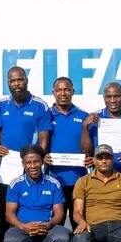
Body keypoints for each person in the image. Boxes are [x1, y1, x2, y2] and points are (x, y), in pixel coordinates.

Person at [0, 66, 51, 242]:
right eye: (12, 80)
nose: (16, 83)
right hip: (5, 171)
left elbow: (43, 141)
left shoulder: (40, 106)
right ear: (8, 83)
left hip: (30, 169)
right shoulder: (1, 105)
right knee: (3, 221)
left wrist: (36, 161)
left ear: (26, 80)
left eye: (20, 80)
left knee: (25, 217)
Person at [3, 145, 70, 242]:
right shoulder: (15, 184)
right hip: (23, 229)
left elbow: (59, 213)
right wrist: (23, 226)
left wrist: (49, 224)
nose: (33, 166)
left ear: (42, 162)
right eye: (28, 162)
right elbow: (9, 214)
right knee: (10, 239)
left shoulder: (53, 183)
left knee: (63, 237)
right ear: (23, 164)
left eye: (36, 162)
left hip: (48, 228)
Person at [45, 77, 90, 225]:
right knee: (55, 227)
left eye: (66, 89)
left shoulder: (84, 116)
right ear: (53, 92)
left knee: (80, 226)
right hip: (54, 181)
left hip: (79, 181)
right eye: (59, 90)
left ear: (73, 92)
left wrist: (91, 157)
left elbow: (90, 149)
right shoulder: (45, 115)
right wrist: (42, 156)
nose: (63, 93)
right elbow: (37, 145)